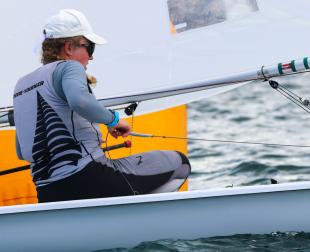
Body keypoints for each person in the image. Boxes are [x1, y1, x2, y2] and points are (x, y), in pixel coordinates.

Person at [13, 9, 191, 203]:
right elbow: (79, 101)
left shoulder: (21, 86)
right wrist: (113, 120)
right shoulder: (69, 66)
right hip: (90, 179)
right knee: (179, 162)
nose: (91, 57)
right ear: (69, 48)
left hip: (47, 192)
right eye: (89, 48)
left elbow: (22, 152)